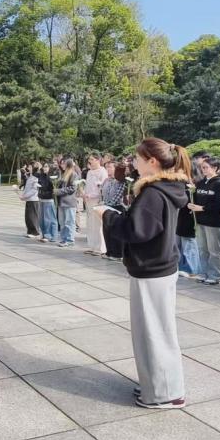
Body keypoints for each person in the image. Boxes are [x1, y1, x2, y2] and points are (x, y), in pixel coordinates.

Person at [95, 138, 190, 409]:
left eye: (137, 159)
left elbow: (136, 231)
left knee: (154, 333)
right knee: (154, 331)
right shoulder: (164, 188)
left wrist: (107, 216)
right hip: (156, 267)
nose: (133, 163)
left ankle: (165, 393)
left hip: (152, 269)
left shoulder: (154, 192)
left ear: (152, 161)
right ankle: (156, 384)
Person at [189, 156, 220, 285]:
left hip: (213, 222)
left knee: (214, 250)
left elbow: (219, 204)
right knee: (202, 249)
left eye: (206, 167)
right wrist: (192, 204)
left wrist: (202, 208)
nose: (203, 170)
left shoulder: (219, 184)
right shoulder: (200, 182)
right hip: (201, 221)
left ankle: (215, 275)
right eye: (202, 167)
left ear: (215, 168)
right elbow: (196, 198)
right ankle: (203, 272)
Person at [101, 160, 129, 261]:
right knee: (106, 231)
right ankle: (109, 252)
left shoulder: (122, 181)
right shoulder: (107, 180)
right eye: (107, 167)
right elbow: (103, 193)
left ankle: (117, 254)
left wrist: (108, 204)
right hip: (106, 207)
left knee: (115, 231)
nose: (108, 169)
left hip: (116, 208)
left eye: (110, 167)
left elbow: (118, 196)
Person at [83, 154, 108, 256]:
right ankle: (91, 246)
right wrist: (84, 194)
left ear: (98, 160)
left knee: (98, 225)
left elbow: (103, 187)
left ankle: (99, 248)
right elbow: (87, 185)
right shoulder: (89, 172)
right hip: (88, 200)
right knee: (90, 224)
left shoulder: (102, 171)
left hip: (97, 200)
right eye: (89, 159)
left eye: (92, 159)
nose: (90, 161)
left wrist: (92, 195)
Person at [55, 159, 80, 247]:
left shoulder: (74, 174)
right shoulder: (63, 174)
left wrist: (59, 191)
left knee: (69, 222)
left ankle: (70, 240)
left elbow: (72, 188)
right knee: (62, 222)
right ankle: (63, 239)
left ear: (68, 165)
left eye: (64, 164)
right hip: (61, 202)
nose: (62, 165)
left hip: (69, 202)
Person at [17, 164, 41, 238]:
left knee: (32, 217)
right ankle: (30, 231)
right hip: (28, 199)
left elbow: (34, 190)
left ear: (34, 168)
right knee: (28, 217)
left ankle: (35, 232)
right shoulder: (30, 176)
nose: (28, 168)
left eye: (30, 167)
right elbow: (26, 188)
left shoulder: (36, 177)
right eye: (28, 167)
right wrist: (23, 196)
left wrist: (24, 196)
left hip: (33, 200)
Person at [36, 162, 58, 243]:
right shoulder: (42, 175)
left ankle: (51, 236)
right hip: (41, 199)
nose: (44, 168)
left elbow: (52, 189)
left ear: (50, 168)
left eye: (46, 166)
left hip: (49, 200)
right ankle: (44, 234)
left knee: (49, 219)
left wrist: (44, 192)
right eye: (44, 166)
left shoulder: (53, 177)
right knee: (41, 220)